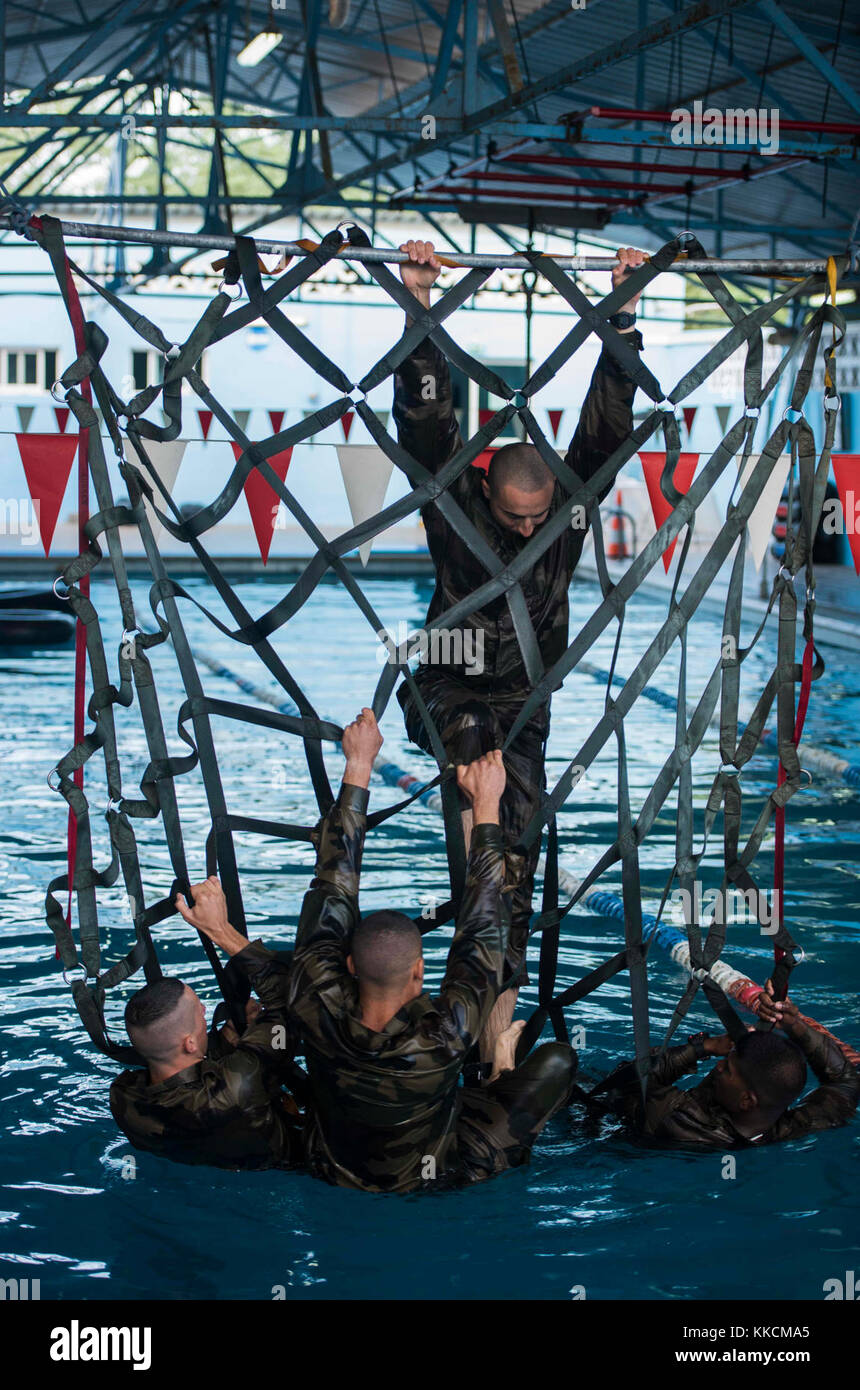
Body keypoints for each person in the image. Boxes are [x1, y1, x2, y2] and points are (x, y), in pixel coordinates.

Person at [392, 239, 648, 1066]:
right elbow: (426, 423)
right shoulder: (452, 504)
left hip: (521, 711)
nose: (532, 531)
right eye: (517, 519)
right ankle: (465, 1005)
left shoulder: (563, 520)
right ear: (488, 495)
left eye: (542, 519)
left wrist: (623, 313)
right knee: (476, 797)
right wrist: (421, 306)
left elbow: (604, 433)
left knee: (516, 864)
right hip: (442, 691)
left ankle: (494, 1035)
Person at [287, 706, 577, 1193]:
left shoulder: (313, 1000)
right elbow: (484, 925)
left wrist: (358, 765)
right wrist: (486, 803)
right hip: (437, 1175)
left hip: (330, 1167)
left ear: (350, 965)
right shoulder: (446, 1035)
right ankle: (496, 1073)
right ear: (420, 974)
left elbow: (333, 886)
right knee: (559, 1061)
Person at [109, 913, 302, 1171]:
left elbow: (186, 1076)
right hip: (290, 1170)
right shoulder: (239, 1082)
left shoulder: (123, 1097)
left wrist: (225, 1039)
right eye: (199, 1011)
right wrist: (224, 933)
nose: (204, 1011)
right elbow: (287, 1002)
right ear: (189, 1044)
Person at [595, 983, 860, 1148]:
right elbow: (846, 1081)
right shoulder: (796, 1126)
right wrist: (794, 1024)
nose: (719, 1067)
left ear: (746, 1101)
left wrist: (703, 1048)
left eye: (728, 1068)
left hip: (598, 1131)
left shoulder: (684, 1122)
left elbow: (626, 1079)